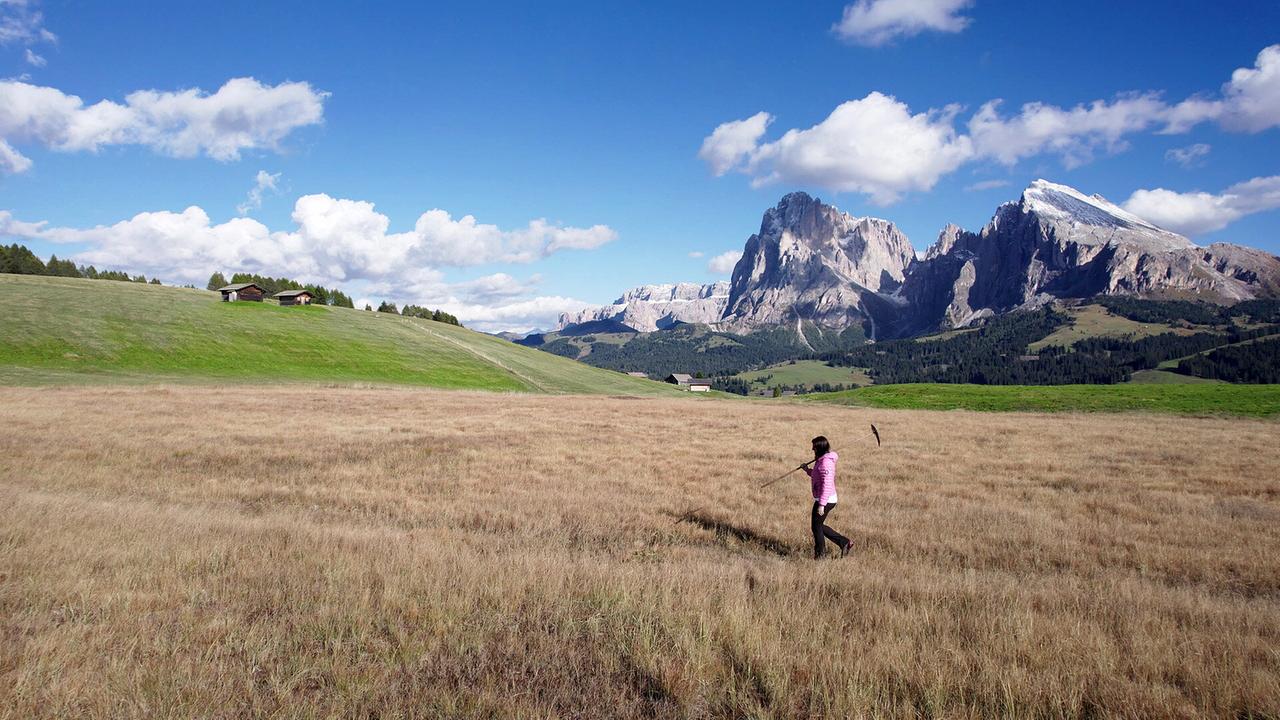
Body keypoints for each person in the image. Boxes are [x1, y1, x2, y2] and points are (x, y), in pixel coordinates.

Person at [803, 436, 851, 559]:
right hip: (824, 498)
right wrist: (807, 470)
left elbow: (827, 485)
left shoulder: (826, 463)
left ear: (819, 447)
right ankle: (844, 542)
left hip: (826, 499)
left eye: (814, 447)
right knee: (817, 526)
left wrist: (822, 505)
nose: (812, 449)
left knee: (816, 527)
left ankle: (820, 556)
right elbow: (817, 475)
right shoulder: (821, 460)